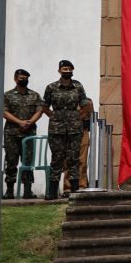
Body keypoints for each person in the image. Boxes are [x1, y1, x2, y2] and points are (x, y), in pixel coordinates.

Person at [42, 59, 88, 199]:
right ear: (59, 71)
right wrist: (52, 115)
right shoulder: (51, 87)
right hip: (57, 128)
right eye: (64, 69)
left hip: (74, 128)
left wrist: (78, 117)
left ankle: (74, 191)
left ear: (72, 71)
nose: (67, 71)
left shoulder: (78, 86)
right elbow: (44, 105)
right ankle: (52, 192)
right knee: (57, 159)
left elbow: (85, 104)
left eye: (69, 69)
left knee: (74, 159)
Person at [2, 69, 43, 199]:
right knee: (11, 161)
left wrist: (30, 122)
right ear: (15, 79)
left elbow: (40, 110)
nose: (24, 80)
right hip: (12, 134)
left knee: (27, 162)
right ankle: (9, 190)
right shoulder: (7, 95)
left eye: (26, 78)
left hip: (29, 133)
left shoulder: (34, 95)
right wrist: (20, 122)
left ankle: (27, 190)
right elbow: (4, 112)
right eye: (21, 78)